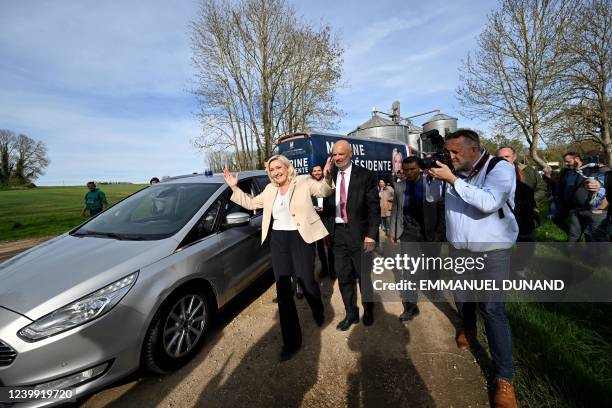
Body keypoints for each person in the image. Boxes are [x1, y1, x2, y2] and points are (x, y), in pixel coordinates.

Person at [426, 129, 519, 408]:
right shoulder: (452, 171)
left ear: (474, 150)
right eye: (448, 152)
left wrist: (452, 179)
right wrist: (434, 177)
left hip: (493, 252)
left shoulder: (499, 168)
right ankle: (467, 327)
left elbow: (490, 202)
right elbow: (432, 199)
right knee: (463, 296)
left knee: (492, 309)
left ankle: (504, 378)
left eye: (456, 152)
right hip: (459, 249)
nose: (450, 157)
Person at [223, 155, 334, 362]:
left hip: (301, 238)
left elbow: (324, 191)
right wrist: (235, 188)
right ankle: (291, 342)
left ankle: (318, 310)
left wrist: (327, 176)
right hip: (279, 239)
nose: (275, 172)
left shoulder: (302, 182)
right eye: (271, 169)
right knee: (283, 290)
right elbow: (250, 203)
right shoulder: (269, 189)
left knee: (307, 282)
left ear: (287, 167)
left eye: (278, 167)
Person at [322, 140, 380, 331]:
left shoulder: (365, 175)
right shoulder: (330, 177)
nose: (337, 158)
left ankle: (369, 309)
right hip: (338, 234)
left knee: (363, 275)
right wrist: (326, 179)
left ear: (350, 154)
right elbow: (327, 208)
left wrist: (371, 234)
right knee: (343, 275)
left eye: (341, 154)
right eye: (335, 154)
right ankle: (351, 313)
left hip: (360, 234)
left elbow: (373, 208)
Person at [388, 156, 444, 321]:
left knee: (433, 264)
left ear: (420, 168)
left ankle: (434, 289)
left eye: (412, 169)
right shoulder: (399, 187)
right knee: (409, 271)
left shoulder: (432, 183)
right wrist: (393, 231)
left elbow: (441, 209)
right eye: (405, 170)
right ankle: (411, 306)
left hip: (430, 234)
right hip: (409, 233)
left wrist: (439, 234)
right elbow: (396, 211)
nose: (408, 172)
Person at [496, 146, 542, 272]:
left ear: (514, 157)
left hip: (526, 213)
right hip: (503, 215)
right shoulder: (492, 172)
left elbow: (541, 187)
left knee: (527, 244)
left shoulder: (528, 171)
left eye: (507, 156)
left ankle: (519, 267)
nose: (504, 160)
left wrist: (531, 200)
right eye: (500, 157)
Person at [567, 151, 609, 242]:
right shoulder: (591, 172)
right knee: (587, 236)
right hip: (582, 209)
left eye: (587, 159)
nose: (584, 161)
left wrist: (601, 191)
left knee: (599, 238)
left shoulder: (607, 172)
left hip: (598, 212)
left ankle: (602, 256)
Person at [311, 164, 335, 279]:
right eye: (314, 171)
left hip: (328, 218)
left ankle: (332, 269)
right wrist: (313, 208)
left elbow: (333, 200)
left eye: (319, 170)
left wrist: (325, 208)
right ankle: (324, 268)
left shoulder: (328, 182)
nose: (316, 172)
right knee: (319, 246)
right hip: (316, 219)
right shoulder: (309, 185)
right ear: (312, 173)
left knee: (330, 245)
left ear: (322, 171)